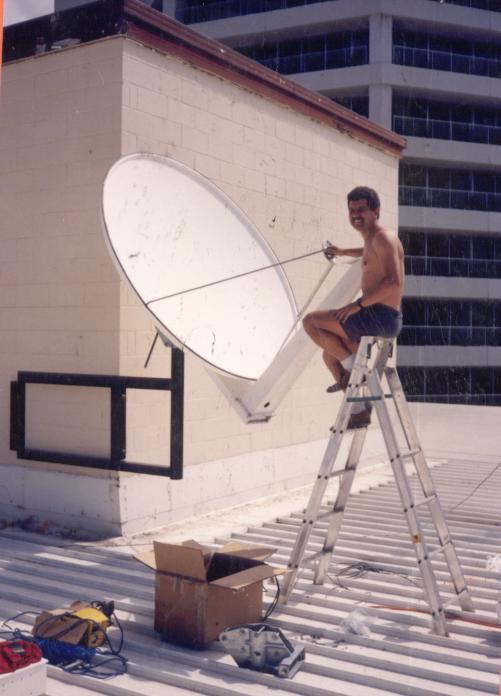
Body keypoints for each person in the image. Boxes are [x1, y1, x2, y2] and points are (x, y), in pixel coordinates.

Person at [303, 186, 404, 429]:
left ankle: (352, 374)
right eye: (351, 210)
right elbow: (367, 252)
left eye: (361, 210)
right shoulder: (373, 240)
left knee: (311, 322)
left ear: (375, 211)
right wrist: (342, 251)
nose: (356, 214)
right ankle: (359, 411)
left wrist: (357, 305)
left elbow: (394, 282)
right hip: (376, 316)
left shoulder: (384, 238)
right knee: (330, 356)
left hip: (380, 316)